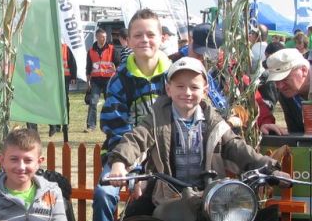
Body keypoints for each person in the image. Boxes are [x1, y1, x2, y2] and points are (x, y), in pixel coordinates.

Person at [106, 56, 283, 206]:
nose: (187, 92)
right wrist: (119, 163)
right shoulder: (156, 120)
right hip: (169, 198)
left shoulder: (214, 123)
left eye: (194, 87)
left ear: (205, 91)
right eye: (180, 86)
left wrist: (269, 168)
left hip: (211, 198)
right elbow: (136, 139)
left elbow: (235, 147)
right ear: (169, 89)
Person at [92, 8, 170, 221]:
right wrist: (129, 164)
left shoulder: (175, 74)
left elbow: (208, 101)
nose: (144, 40)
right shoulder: (121, 78)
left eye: (150, 34)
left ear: (161, 38)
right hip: (126, 154)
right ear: (127, 39)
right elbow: (113, 121)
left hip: (167, 155)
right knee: (104, 194)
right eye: (137, 35)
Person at [84, 28, 116, 132]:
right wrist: (88, 82)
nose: (104, 39)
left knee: (109, 103)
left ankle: (111, 124)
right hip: (95, 80)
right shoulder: (91, 51)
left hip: (109, 80)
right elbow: (88, 67)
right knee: (93, 102)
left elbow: (118, 64)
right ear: (97, 37)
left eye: (105, 37)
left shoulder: (112, 49)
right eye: (102, 37)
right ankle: (91, 126)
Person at [49, 42, 77, 138]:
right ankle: (54, 126)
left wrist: (73, 76)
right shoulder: (49, 47)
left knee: (64, 102)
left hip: (64, 78)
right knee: (53, 102)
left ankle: (65, 123)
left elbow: (72, 63)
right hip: (52, 79)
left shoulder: (66, 48)